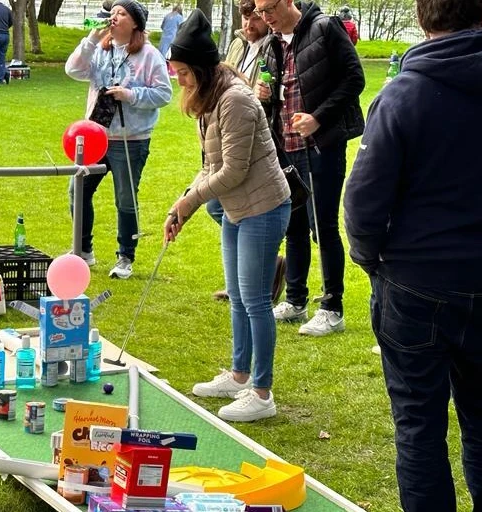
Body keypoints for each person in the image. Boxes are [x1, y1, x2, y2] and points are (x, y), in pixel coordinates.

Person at [343, 0, 482, 508]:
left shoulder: (410, 93)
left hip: (424, 282)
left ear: (423, 18)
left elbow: (363, 200)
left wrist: (372, 259)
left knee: (422, 429)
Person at [165, 10, 291, 421]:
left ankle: (262, 392)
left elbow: (233, 169)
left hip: (264, 206)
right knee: (238, 296)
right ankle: (238, 376)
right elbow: (209, 163)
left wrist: (191, 202)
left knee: (255, 300)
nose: (180, 81)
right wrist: (182, 201)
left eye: (183, 72)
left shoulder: (235, 99)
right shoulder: (210, 98)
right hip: (238, 208)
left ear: (201, 68)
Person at [256, 0, 365, 336]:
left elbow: (354, 79)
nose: (266, 16)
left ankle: (333, 307)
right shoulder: (272, 43)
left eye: (270, 8)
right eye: (261, 12)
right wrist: (265, 94)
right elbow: (280, 92)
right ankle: (295, 299)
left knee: (325, 226)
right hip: (286, 146)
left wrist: (319, 117)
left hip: (322, 145)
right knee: (294, 224)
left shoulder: (325, 28)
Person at [64, 0, 172, 279]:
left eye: (121, 13)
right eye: (112, 13)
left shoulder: (149, 55)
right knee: (78, 191)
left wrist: (130, 94)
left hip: (131, 139)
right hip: (95, 136)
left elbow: (164, 94)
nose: (113, 17)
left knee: (125, 197)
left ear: (135, 23)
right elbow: (73, 70)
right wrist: (91, 38)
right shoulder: (101, 49)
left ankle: (125, 256)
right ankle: (82, 250)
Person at [209, 0, 271, 301]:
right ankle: (245, 279)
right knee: (221, 206)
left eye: (255, 17)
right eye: (245, 17)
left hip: (261, 140)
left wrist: (269, 95)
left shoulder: (273, 47)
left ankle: (254, 279)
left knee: (239, 208)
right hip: (229, 134)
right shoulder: (237, 45)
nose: (249, 24)